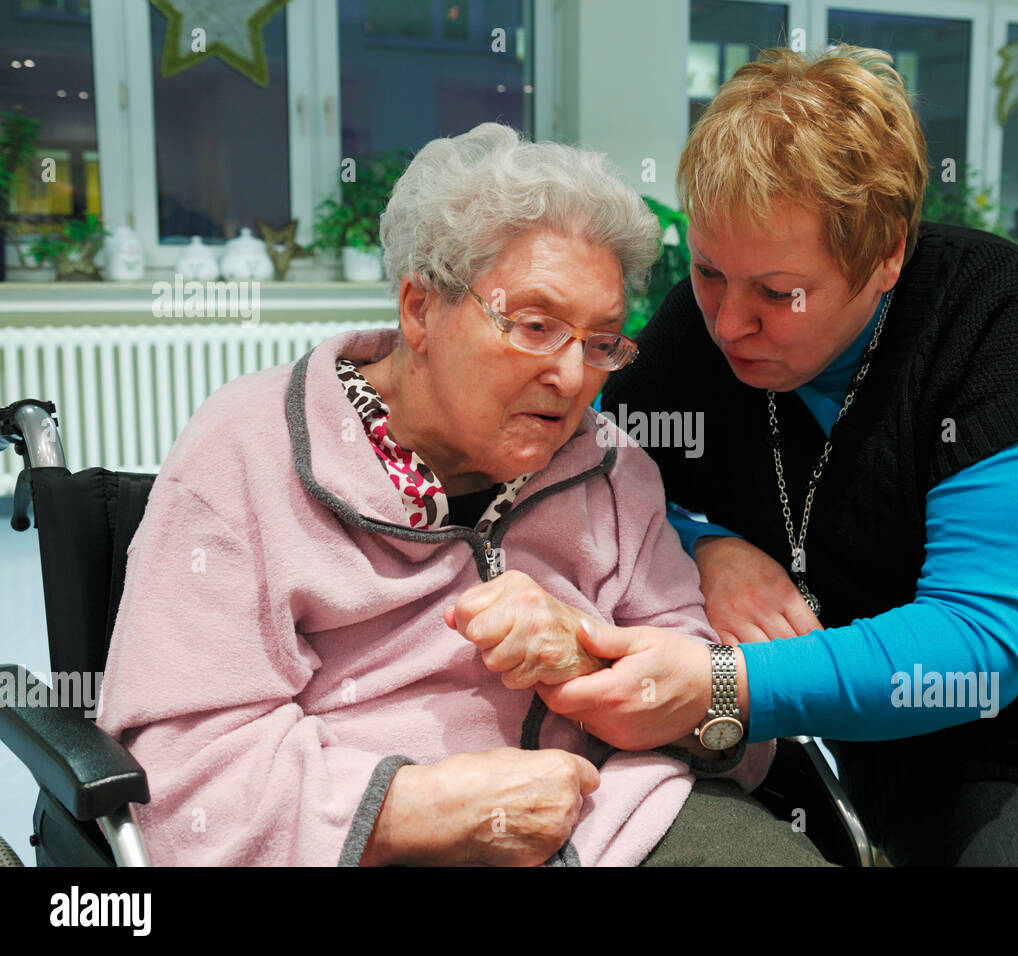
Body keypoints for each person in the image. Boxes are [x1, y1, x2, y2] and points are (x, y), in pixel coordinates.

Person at [521, 46, 1018, 866]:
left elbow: (977, 640)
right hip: (948, 754)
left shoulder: (993, 316)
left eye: (780, 292)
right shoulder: (695, 334)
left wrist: (722, 688)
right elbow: (593, 471)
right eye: (712, 272)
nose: (729, 323)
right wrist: (703, 542)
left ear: (886, 253)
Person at [96, 122, 829, 867]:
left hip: (626, 823)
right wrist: (427, 809)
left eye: (601, 340)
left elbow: (733, 726)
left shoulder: (611, 468)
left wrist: (586, 662)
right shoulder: (247, 454)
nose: (574, 380)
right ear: (421, 310)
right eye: (537, 326)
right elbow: (185, 787)